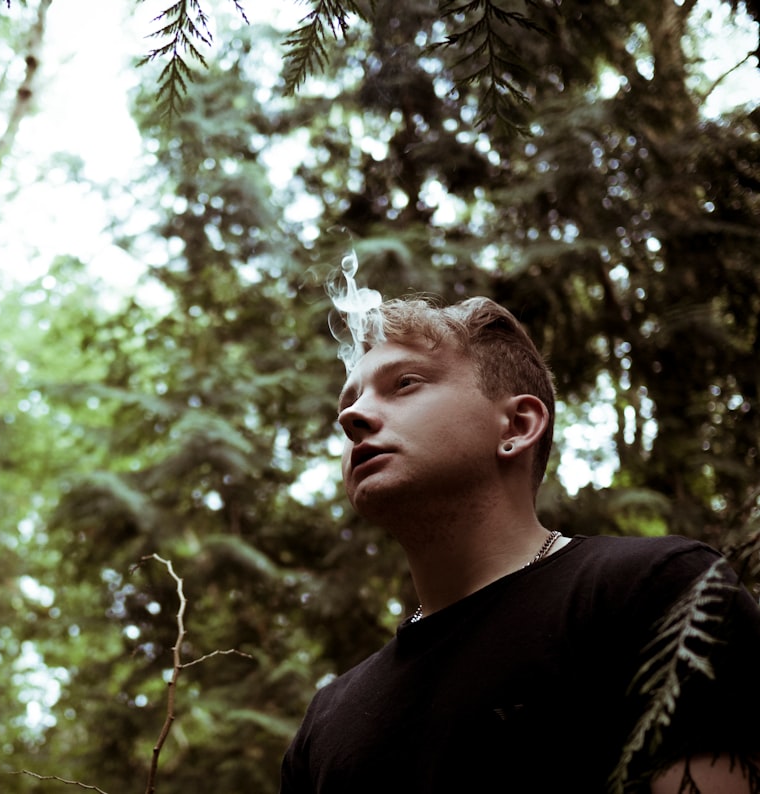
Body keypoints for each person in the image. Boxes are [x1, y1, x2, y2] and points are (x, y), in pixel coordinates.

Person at [279, 293, 760, 793]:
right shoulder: (326, 724)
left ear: (517, 426)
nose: (351, 417)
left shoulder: (655, 592)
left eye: (404, 383)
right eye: (349, 401)